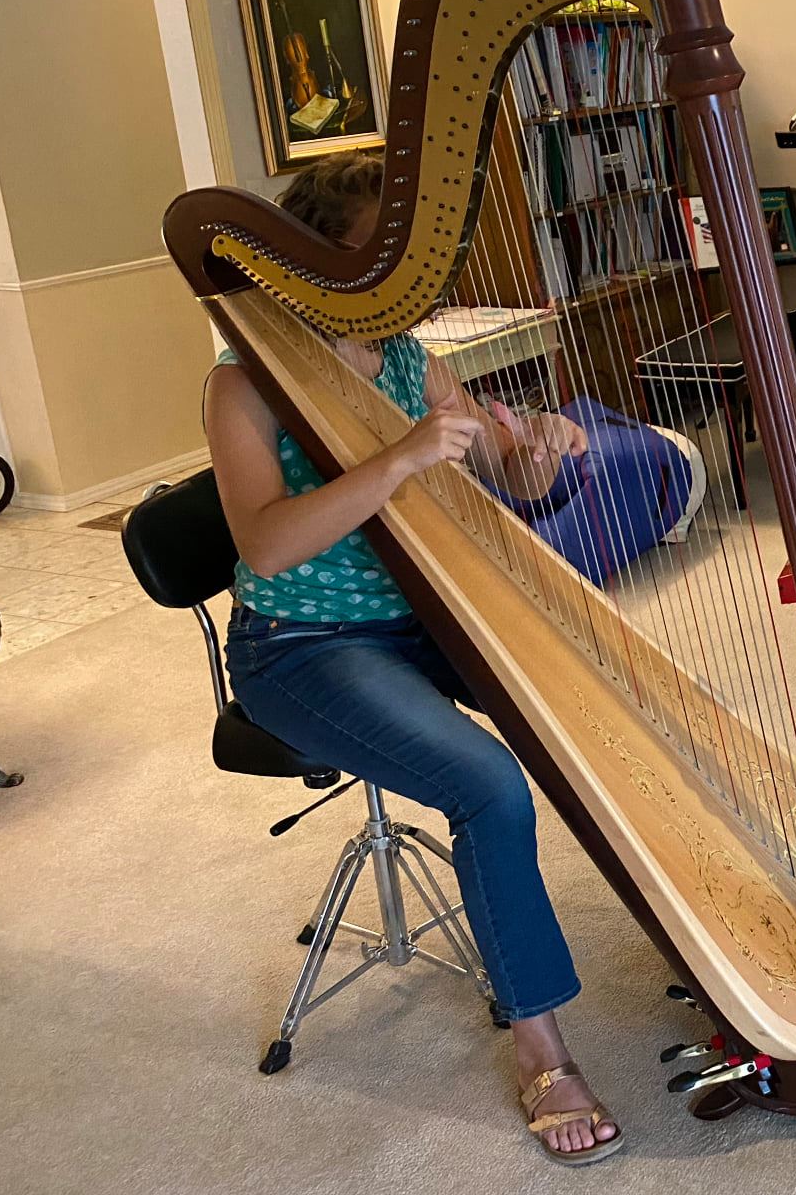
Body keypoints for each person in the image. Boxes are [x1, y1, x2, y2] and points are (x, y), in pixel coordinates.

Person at [204, 152, 620, 1166]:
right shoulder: (241, 385)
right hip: (301, 647)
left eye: (406, 261)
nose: (395, 285)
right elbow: (264, 544)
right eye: (371, 257)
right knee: (489, 783)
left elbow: (500, 480)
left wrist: (536, 451)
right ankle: (542, 1052)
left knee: (594, 691)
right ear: (310, 262)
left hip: (424, 614)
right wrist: (397, 459)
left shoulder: (406, 355)